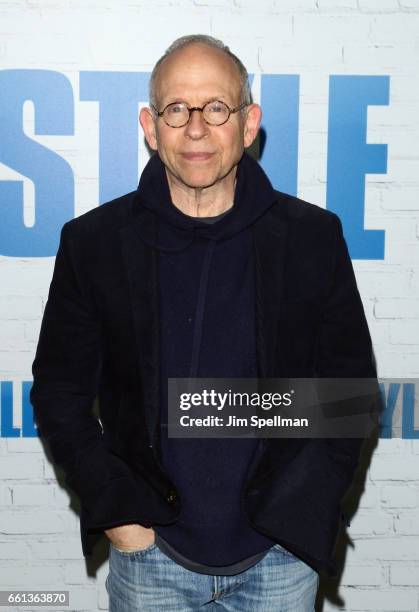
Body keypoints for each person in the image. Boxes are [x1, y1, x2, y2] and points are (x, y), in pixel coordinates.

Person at [30, 34, 376, 611]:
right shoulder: (93, 245)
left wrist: (296, 518)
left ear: (248, 123)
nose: (195, 128)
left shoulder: (312, 240)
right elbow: (60, 395)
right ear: (150, 125)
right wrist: (122, 519)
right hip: (149, 565)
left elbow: (347, 397)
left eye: (216, 108)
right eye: (176, 110)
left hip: (279, 564)